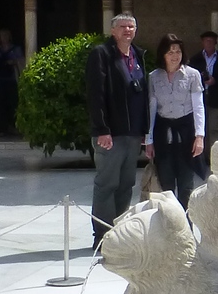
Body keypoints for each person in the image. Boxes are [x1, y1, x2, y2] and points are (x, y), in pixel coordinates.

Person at [86, 13, 149, 245]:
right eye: (122, 27)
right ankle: (102, 235)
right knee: (107, 184)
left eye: (131, 26)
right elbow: (96, 95)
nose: (127, 30)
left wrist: (144, 130)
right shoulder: (101, 55)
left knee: (126, 184)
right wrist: (102, 128)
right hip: (110, 134)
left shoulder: (138, 55)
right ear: (113, 31)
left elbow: (142, 95)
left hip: (132, 134)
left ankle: (118, 232)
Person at [144, 33, 205, 205]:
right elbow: (152, 108)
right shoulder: (154, 77)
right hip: (164, 136)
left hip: (186, 135)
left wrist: (199, 136)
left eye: (178, 51)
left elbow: (198, 106)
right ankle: (169, 227)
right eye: (170, 52)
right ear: (163, 54)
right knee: (166, 187)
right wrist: (149, 139)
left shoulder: (192, 75)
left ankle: (187, 228)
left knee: (186, 187)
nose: (175, 56)